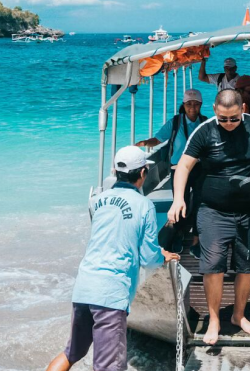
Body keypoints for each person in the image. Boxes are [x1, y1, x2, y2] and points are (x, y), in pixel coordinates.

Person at [47, 146, 180, 371]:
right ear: (143, 173)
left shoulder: (97, 200)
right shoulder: (144, 205)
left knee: (72, 352)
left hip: (84, 288)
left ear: (116, 172)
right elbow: (149, 257)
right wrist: (163, 256)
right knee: (109, 367)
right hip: (110, 294)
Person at [168, 90, 250, 345]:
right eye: (223, 118)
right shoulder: (204, 131)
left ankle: (239, 315)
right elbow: (183, 166)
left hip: (249, 208)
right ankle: (214, 320)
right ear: (215, 109)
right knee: (212, 266)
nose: (228, 124)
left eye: (234, 119)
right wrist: (178, 198)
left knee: (248, 266)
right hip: (212, 209)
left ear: (243, 108)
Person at [136, 89, 207, 258]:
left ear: (200, 105)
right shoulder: (175, 123)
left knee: (199, 204)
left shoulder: (205, 123)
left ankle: (196, 241)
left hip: (199, 168)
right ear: (184, 105)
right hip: (177, 169)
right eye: (189, 104)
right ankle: (179, 235)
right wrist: (144, 143)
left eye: (196, 104)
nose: (192, 108)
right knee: (179, 202)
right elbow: (159, 139)